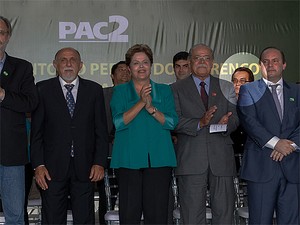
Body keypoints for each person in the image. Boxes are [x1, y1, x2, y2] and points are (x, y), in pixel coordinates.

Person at [30, 47, 109, 224]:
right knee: (52, 219)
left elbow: (101, 131)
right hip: (51, 169)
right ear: (55, 65)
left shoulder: (94, 90)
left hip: (86, 168)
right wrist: (38, 165)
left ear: (80, 65)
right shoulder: (42, 89)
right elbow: (36, 133)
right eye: (63, 60)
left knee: (84, 219)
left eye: (73, 60)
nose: (68, 64)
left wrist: (99, 162)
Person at [110, 44, 178, 225]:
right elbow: (118, 122)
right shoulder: (120, 91)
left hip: (159, 159)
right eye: (136, 63)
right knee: (129, 214)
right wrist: (141, 103)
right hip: (128, 160)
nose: (141, 67)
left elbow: (172, 122)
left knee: (157, 215)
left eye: (145, 62)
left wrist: (151, 109)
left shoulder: (164, 90)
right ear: (129, 67)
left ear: (151, 65)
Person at [171, 43, 239, 224]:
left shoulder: (227, 86)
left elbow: (236, 118)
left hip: (221, 158)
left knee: (225, 214)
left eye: (206, 58)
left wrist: (226, 124)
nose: (202, 62)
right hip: (191, 158)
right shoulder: (175, 89)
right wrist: (200, 123)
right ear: (191, 62)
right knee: (192, 215)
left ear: (212, 62)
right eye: (197, 58)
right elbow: (174, 121)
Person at [237, 47, 300, 225]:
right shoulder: (248, 90)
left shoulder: (297, 91)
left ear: (284, 64)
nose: (270, 65)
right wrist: (276, 144)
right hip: (261, 169)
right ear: (260, 66)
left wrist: (290, 146)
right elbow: (249, 122)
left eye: (275, 60)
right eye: (266, 61)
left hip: (293, 168)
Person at [0, 16, 38, 224]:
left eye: (1, 32)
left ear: (8, 37)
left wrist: (4, 95)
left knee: (15, 214)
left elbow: (31, 103)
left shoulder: (22, 67)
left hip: (11, 153)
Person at [98, 61, 130, 224]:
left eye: (127, 70)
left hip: (130, 155)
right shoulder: (102, 95)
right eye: (121, 70)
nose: (125, 73)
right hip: (107, 154)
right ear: (112, 76)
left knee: (130, 196)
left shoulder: (138, 95)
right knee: (106, 197)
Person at [230, 67, 254, 172]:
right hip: (230, 159)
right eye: (235, 81)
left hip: (253, 158)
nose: (238, 84)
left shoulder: (259, 105)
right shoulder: (225, 105)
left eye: (242, 81)